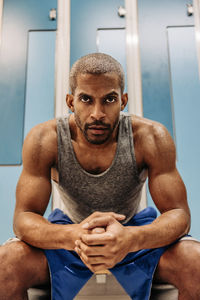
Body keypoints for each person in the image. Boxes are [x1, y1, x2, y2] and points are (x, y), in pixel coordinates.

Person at [0, 53, 200, 300]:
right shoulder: (45, 139)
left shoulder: (151, 137)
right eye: (86, 99)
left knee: (196, 262)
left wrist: (130, 239)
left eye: (109, 99)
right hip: (70, 236)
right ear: (71, 102)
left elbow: (179, 214)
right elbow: (23, 218)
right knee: (6, 263)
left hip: (132, 233)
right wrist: (75, 235)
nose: (97, 113)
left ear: (123, 101)